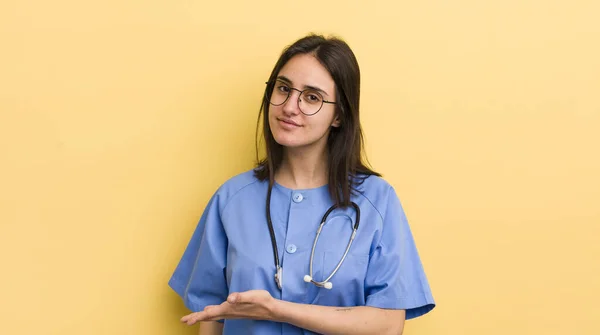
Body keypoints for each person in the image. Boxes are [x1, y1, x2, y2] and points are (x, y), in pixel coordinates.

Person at [168, 33, 435, 335]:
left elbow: (387, 326)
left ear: (339, 115)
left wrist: (276, 310)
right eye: (283, 89)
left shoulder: (377, 201)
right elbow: (212, 317)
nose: (289, 107)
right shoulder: (231, 199)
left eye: (312, 97)